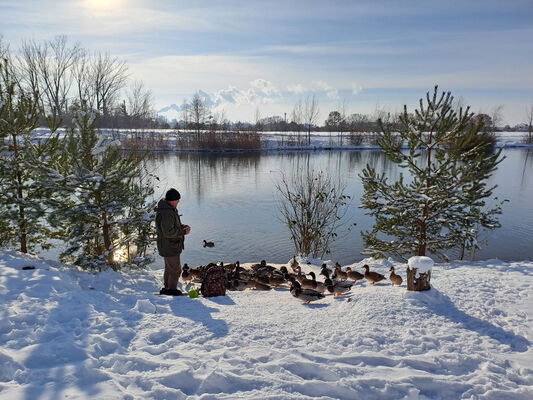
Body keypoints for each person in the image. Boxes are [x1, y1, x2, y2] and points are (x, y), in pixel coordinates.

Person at [155, 188, 191, 295]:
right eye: (177, 200)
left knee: (169, 268)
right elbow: (168, 232)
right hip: (170, 246)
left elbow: (170, 226)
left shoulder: (168, 209)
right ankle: (172, 290)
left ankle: (167, 288)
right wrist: (183, 232)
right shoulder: (167, 213)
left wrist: (181, 226)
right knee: (175, 270)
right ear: (171, 200)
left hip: (167, 245)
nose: (178, 202)